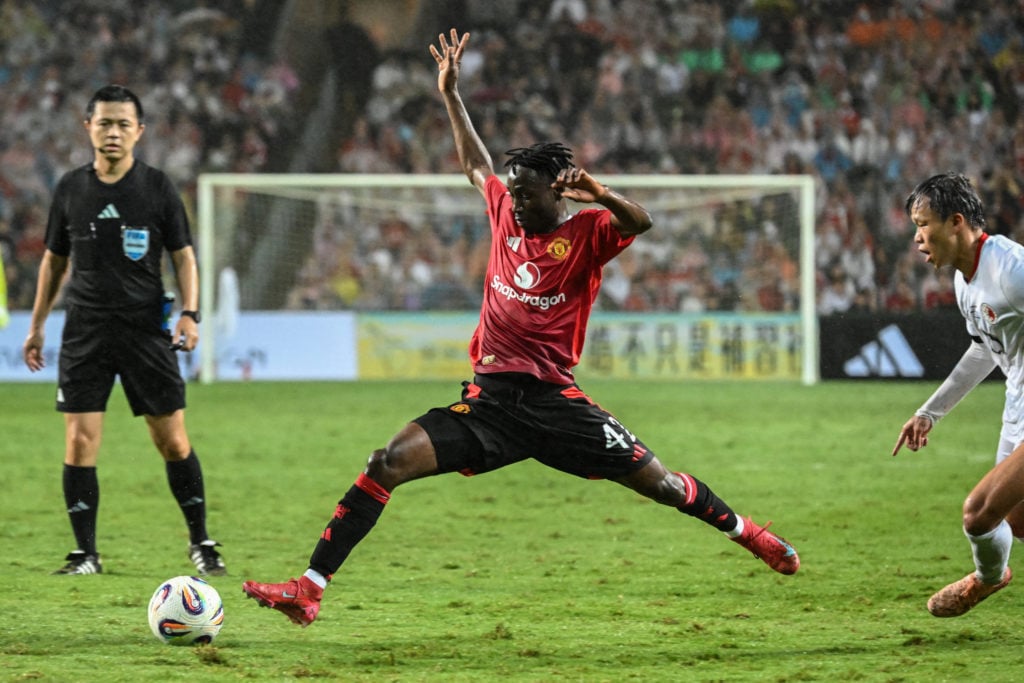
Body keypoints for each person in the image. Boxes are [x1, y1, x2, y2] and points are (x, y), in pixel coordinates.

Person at [242, 29, 798, 628]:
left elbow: (643, 221)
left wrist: (602, 193)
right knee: (387, 460)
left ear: (556, 193)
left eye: (527, 194)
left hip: (557, 404)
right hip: (489, 405)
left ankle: (749, 534)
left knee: (661, 485)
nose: (516, 202)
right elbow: (474, 163)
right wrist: (451, 95)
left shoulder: (585, 232)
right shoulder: (505, 208)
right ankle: (310, 588)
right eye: (513, 193)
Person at [22, 84, 226, 577]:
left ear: (139, 132)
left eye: (123, 124)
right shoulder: (71, 188)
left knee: (173, 441)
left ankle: (201, 540)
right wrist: (37, 326)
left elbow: (184, 256)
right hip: (86, 331)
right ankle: (85, 554)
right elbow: (53, 260)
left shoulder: (156, 187)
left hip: (144, 331)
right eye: (104, 122)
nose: (113, 132)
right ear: (87, 126)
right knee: (79, 442)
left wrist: (191, 314)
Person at [893, 172, 1022, 617]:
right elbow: (984, 351)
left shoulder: (1011, 270)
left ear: (956, 222)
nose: (917, 237)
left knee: (978, 514)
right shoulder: (966, 281)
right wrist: (931, 412)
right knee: (1015, 522)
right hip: (1016, 407)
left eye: (922, 223)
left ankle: (987, 579)